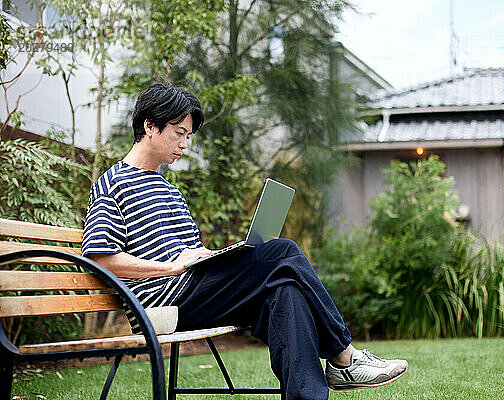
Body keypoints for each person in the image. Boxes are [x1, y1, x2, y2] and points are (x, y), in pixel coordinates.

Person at [82, 83, 408, 400]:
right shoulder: (112, 184)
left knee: (287, 291)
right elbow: (100, 259)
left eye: (188, 137)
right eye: (179, 133)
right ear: (149, 126)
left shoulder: (168, 189)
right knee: (284, 252)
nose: (184, 144)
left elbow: (187, 251)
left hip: (194, 286)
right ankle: (345, 357)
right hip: (163, 301)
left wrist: (208, 255)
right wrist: (169, 268)